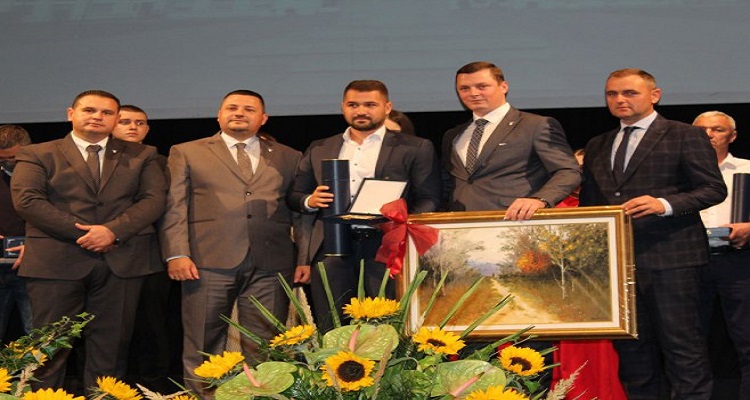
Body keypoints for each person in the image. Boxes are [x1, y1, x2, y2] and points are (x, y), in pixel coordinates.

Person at [579, 69, 726, 399]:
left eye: (629, 93)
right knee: (633, 356)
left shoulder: (685, 135)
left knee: (683, 350)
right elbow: (591, 204)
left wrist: (664, 204)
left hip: (673, 261)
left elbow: (713, 189)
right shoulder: (598, 143)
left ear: (654, 95)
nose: (620, 100)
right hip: (618, 266)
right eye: (612, 94)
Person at [10, 90, 167, 392]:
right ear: (71, 113)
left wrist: (112, 232)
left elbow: (153, 200)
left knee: (111, 348)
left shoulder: (143, 154)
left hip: (121, 262)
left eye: (106, 113)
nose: (97, 117)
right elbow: (28, 201)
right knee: (48, 348)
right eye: (89, 110)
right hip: (55, 263)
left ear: (115, 118)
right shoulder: (37, 153)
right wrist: (87, 233)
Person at [159, 89, 308, 399]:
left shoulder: (289, 156)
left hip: (271, 262)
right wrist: (177, 253)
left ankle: (259, 396)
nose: (239, 113)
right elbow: (174, 206)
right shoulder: (187, 151)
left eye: (249, 109)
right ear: (219, 115)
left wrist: (303, 257)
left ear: (263, 118)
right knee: (203, 340)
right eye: (232, 107)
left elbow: (298, 212)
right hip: (206, 261)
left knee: (264, 342)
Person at [287, 80, 442, 331]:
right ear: (343, 107)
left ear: (387, 107)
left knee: (388, 326)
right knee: (333, 326)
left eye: (370, 105)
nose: (361, 111)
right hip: (332, 246)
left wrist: (401, 224)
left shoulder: (415, 147)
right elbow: (295, 195)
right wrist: (310, 201)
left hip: (387, 247)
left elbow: (430, 198)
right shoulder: (320, 147)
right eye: (353, 105)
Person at [442, 61, 581, 219]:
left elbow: (568, 171)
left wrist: (540, 199)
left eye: (482, 86)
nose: (473, 93)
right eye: (464, 88)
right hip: (461, 224)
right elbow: (447, 184)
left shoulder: (535, 125)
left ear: (504, 87)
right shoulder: (453, 135)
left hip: (515, 222)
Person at [112, 104, 177, 392]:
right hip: (105, 253)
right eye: (125, 121)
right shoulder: (94, 162)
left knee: (152, 325)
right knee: (110, 326)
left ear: (148, 129)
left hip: (152, 255)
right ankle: (110, 386)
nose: (133, 127)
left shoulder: (162, 163)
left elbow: (169, 209)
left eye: (139, 123)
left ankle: (153, 386)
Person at [693, 111, 750, 399]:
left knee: (746, 337)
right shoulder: (675, 172)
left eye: (717, 129)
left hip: (738, 258)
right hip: (688, 261)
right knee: (688, 343)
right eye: (701, 130)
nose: (709, 135)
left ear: (733, 136)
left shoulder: (747, 168)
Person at [0, 125, 33, 342]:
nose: (7, 162)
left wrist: (36, 244)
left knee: (39, 337)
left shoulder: (48, 177)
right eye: (2, 158)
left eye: (12, 157)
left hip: (34, 269)